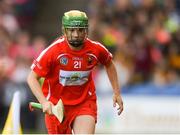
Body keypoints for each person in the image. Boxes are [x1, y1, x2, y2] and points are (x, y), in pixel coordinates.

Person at [27, 10, 123, 134]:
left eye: (80, 30)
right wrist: (44, 102)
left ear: (86, 31)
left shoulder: (96, 49)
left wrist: (116, 92)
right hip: (57, 106)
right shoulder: (53, 51)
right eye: (72, 30)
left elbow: (109, 64)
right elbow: (31, 78)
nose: (76, 35)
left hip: (84, 103)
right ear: (65, 31)